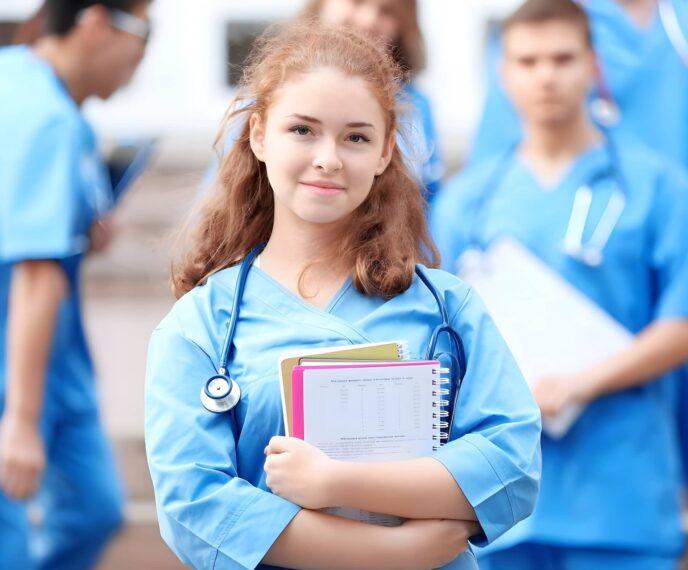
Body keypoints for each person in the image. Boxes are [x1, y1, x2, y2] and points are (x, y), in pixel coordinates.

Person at [145, 21, 541, 570]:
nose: (328, 158)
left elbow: (512, 466)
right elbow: (195, 508)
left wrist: (336, 481)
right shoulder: (200, 326)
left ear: (383, 153)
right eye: (302, 130)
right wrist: (394, 552)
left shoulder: (448, 310)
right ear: (259, 134)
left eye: (356, 137)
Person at [466, 2, 688, 567]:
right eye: (532, 62)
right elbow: (495, 195)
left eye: (563, 60)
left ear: (590, 64)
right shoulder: (551, 21)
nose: (547, 73)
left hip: (681, 267)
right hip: (580, 281)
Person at [0, 1, 151, 568]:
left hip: (56, 359)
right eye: (143, 32)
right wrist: (19, 421)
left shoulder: (59, 109)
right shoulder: (43, 116)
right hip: (17, 362)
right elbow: (36, 272)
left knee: (96, 509)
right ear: (93, 23)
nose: (141, 56)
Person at [204, 0, 442, 201]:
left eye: (387, 11)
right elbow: (220, 202)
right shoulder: (266, 96)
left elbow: (430, 202)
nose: (369, 19)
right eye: (302, 130)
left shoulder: (416, 109)